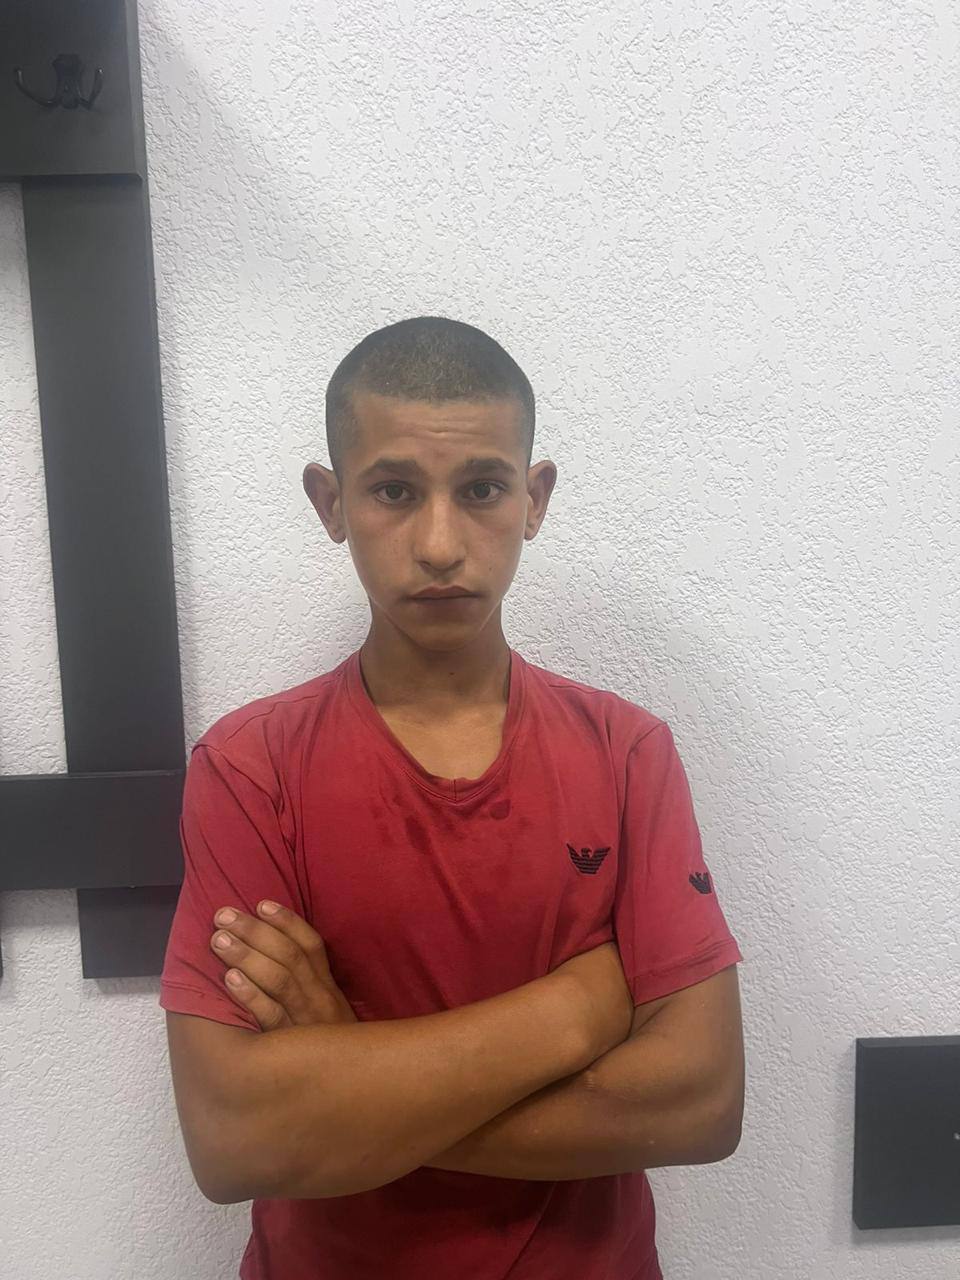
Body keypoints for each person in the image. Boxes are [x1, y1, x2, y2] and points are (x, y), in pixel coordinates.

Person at [159, 315, 745, 1280]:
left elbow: (700, 1104)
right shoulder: (251, 768)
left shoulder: (625, 752)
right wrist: (576, 1009)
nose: (439, 544)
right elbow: (236, 1138)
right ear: (331, 502)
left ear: (534, 498)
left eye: (481, 489)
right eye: (394, 490)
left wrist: (352, 1076)